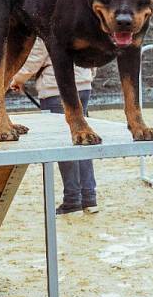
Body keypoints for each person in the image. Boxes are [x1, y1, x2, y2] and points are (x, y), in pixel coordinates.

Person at [10, 37, 99, 214]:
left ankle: (73, 199)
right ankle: (89, 198)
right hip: (83, 86)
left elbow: (36, 56)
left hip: (57, 88)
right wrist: (87, 78)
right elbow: (92, 57)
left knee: (64, 143)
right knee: (83, 141)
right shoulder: (81, 21)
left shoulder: (49, 22)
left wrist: (17, 79)